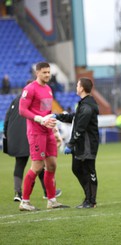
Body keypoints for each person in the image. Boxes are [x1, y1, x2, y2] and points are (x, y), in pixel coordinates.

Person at [18, 62, 68, 211]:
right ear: (37, 73)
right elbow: (22, 110)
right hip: (36, 132)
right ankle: (24, 202)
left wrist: (55, 131)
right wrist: (40, 119)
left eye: (48, 72)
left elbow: (47, 113)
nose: (47, 75)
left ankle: (51, 200)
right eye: (44, 72)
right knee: (38, 166)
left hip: (48, 132)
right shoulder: (30, 89)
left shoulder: (48, 89)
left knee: (52, 165)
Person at [4, 82, 62, 202]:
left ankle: (18, 193)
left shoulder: (15, 101)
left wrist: (7, 135)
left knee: (22, 164)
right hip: (32, 134)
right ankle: (45, 192)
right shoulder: (32, 101)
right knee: (39, 164)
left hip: (16, 137)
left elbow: (7, 119)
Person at [54, 77, 99, 208]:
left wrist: (70, 144)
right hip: (81, 143)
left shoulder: (87, 106)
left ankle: (91, 201)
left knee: (89, 170)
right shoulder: (83, 104)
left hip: (87, 144)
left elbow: (80, 127)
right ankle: (88, 198)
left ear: (82, 88)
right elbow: (73, 118)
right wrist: (57, 116)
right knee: (77, 168)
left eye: (78, 85)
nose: (76, 87)